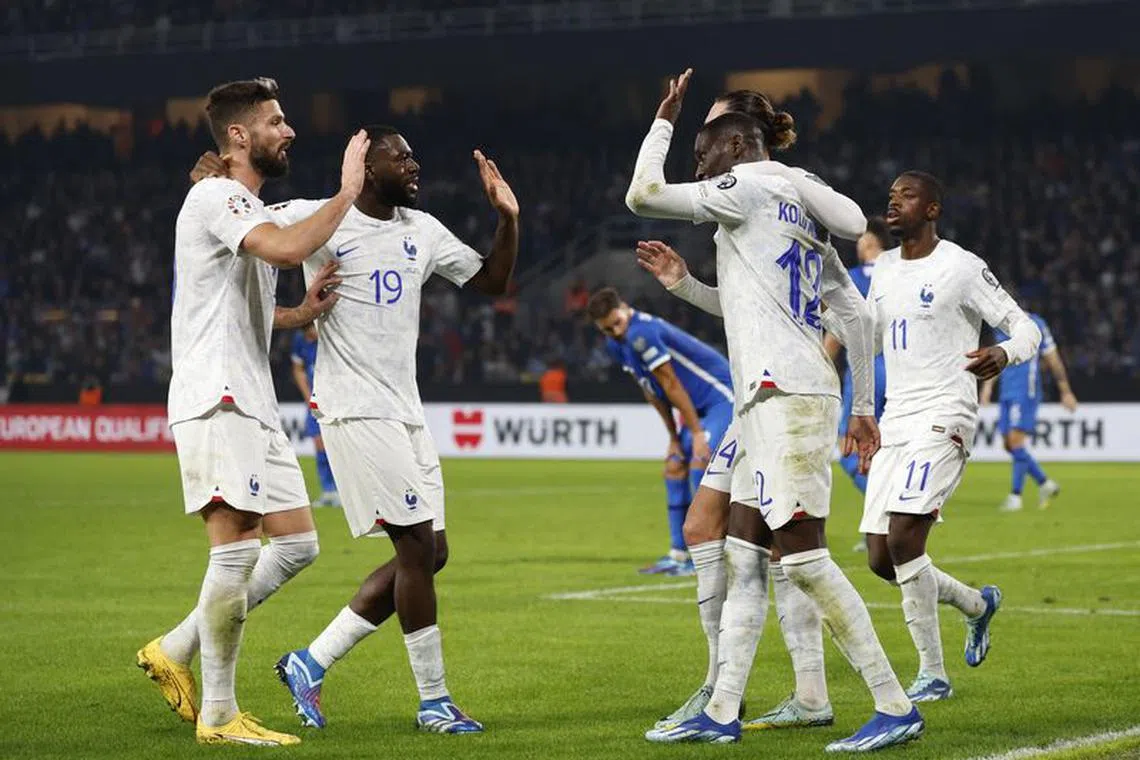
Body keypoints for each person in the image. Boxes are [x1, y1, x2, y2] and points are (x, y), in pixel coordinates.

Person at [627, 68, 923, 752]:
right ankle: (723, 708)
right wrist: (685, 285)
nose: (698, 168)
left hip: (786, 398)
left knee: (803, 557)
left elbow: (642, 193)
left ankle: (893, 701)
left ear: (732, 145)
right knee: (740, 547)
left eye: (703, 154)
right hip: (774, 395)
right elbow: (848, 313)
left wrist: (664, 118)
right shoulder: (789, 215)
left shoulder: (755, 185)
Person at [191, 124, 519, 733]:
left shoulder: (422, 231)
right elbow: (244, 215)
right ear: (368, 169)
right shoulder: (321, 215)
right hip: (353, 408)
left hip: (406, 411)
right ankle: (434, 701)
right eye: (403, 157)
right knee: (417, 547)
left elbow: (493, 283)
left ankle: (310, 663)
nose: (416, 165)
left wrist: (508, 218)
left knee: (432, 552)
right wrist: (215, 174)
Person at [138, 76, 368, 747]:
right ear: (239, 136)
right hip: (218, 395)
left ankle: (173, 647)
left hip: (253, 398)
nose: (288, 129)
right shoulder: (215, 197)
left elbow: (251, 312)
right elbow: (289, 249)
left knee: (296, 543)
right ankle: (218, 714)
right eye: (276, 120)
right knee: (235, 551)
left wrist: (304, 313)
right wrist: (350, 189)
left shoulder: (241, 203)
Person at [857, 171, 1041, 702]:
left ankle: (932, 673)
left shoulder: (961, 266)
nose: (893, 202)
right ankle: (977, 605)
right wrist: (863, 412)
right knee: (879, 558)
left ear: (932, 209)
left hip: (945, 414)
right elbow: (869, 341)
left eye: (906, 195)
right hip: (895, 421)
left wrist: (1005, 353)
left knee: (904, 538)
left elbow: (1024, 326)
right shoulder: (884, 269)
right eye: (889, 195)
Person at [588, 286, 734, 575]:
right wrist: (673, 440)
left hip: (723, 398)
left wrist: (695, 434)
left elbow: (670, 384)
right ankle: (679, 554)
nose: (615, 332)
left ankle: (706, 555)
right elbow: (653, 391)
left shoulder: (643, 333)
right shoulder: (618, 344)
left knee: (699, 465)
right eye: (607, 330)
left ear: (624, 307)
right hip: (699, 410)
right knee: (675, 466)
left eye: (616, 324)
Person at [980, 311, 1077, 511]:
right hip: (1007, 392)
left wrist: (1065, 391)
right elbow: (998, 361)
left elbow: (1053, 359)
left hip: (1026, 391)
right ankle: (1045, 484)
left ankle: (1016, 496)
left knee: (1016, 442)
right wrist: (988, 387)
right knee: (1009, 445)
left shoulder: (1036, 323)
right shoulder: (1001, 326)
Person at [825, 217, 891, 499]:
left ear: (870, 242)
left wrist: (821, 366)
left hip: (866, 370)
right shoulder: (900, 274)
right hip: (901, 370)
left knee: (849, 450)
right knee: (887, 449)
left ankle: (884, 515)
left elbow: (840, 332)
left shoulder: (851, 278)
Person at [291, 322, 338, 506]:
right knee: (319, 445)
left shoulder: (331, 338)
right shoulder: (300, 339)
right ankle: (328, 491)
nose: (310, 337)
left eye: (312, 333)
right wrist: (308, 397)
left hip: (335, 401)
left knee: (335, 446)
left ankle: (342, 491)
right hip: (314, 401)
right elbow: (298, 369)